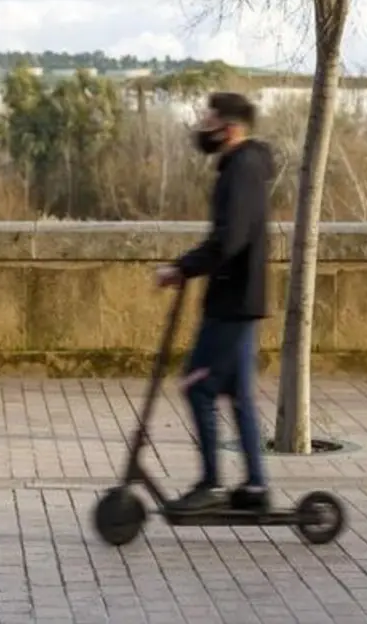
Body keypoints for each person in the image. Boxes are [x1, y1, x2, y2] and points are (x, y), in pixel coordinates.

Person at [155, 91, 275, 514]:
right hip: (241, 298)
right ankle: (257, 486)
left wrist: (182, 268)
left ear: (230, 127)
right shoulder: (244, 167)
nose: (202, 127)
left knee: (197, 386)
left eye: (209, 120)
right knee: (239, 395)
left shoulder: (241, 170)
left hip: (232, 301)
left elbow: (230, 239)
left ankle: (210, 483)